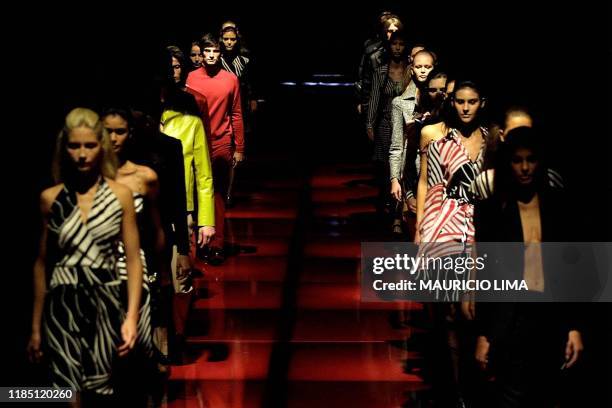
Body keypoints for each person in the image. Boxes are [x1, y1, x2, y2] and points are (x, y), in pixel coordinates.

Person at [27, 108, 143, 403]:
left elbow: (132, 259)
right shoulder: (50, 198)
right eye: (74, 146)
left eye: (89, 146)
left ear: (101, 146)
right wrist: (36, 326)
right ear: (63, 148)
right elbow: (42, 263)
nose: (82, 154)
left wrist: (131, 317)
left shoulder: (120, 196)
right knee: (66, 394)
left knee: (99, 392)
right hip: (62, 304)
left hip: (105, 300)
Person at [474, 126, 584, 407]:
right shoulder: (492, 210)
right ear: (507, 162)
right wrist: (485, 334)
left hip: (550, 316)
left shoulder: (559, 207)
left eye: (531, 159)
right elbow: (489, 277)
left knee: (549, 396)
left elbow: (570, 272)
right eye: (517, 160)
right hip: (512, 320)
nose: (525, 168)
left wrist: (573, 327)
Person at [186, 33, 244, 264]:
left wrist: (239, 147)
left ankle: (217, 244)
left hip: (221, 143)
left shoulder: (231, 80)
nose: (210, 56)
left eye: (215, 52)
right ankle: (196, 245)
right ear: (201, 53)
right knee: (194, 193)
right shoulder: (190, 79)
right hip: (194, 142)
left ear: (221, 54)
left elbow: (237, 114)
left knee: (218, 194)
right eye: (207, 51)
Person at [389, 50, 436, 236]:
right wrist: (394, 179)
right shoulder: (399, 103)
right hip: (412, 171)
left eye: (427, 67)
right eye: (418, 67)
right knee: (416, 228)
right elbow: (396, 145)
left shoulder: (443, 101)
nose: (423, 71)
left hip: (439, 170)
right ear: (412, 68)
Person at [366, 31, 411, 219]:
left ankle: (401, 208)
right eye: (395, 44)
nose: (398, 48)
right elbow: (374, 99)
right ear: (389, 46)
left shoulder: (410, 70)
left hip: (407, 125)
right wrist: (369, 124)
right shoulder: (381, 72)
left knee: (404, 165)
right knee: (388, 166)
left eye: (401, 44)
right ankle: (389, 203)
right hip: (385, 125)